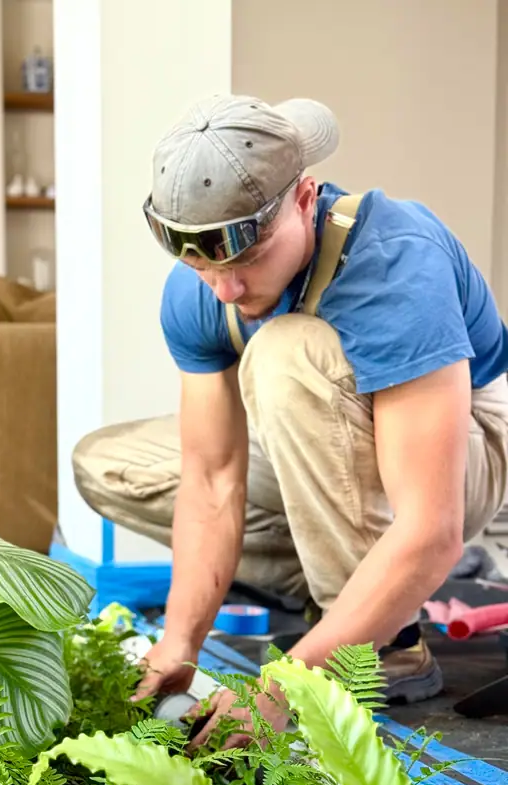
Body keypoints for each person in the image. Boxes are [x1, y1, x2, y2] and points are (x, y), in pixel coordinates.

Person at [72, 94, 508, 746]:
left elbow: (432, 526)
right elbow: (213, 478)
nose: (226, 290)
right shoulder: (205, 287)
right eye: (201, 264)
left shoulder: (396, 264)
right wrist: (179, 645)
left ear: (305, 198)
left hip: (468, 439)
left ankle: (387, 642)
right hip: (327, 433)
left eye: (247, 259)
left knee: (283, 354)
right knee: (110, 463)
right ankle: (359, 589)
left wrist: (286, 684)